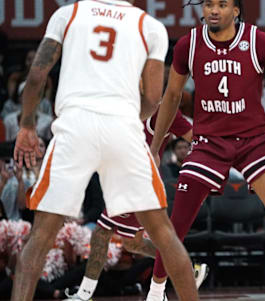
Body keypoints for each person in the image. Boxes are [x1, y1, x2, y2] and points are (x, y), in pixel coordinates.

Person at [11, 0, 199, 301]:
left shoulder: (68, 14)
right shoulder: (150, 26)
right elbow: (153, 98)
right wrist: (132, 118)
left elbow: (37, 75)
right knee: (162, 233)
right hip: (122, 127)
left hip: (75, 125)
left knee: (41, 236)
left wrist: (26, 126)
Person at [145, 0, 265, 301]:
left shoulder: (259, 41)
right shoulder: (188, 45)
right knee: (176, 224)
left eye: (221, 4)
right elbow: (172, 97)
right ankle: (155, 293)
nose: (214, 10)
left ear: (235, 11)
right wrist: (154, 147)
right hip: (208, 143)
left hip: (254, 142)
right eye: (208, 5)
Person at [64, 109, 198, 301]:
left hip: (139, 181)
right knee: (132, 243)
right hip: (123, 179)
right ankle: (186, 266)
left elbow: (195, 137)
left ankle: (84, 295)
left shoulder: (164, 110)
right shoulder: (124, 102)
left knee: (102, 233)